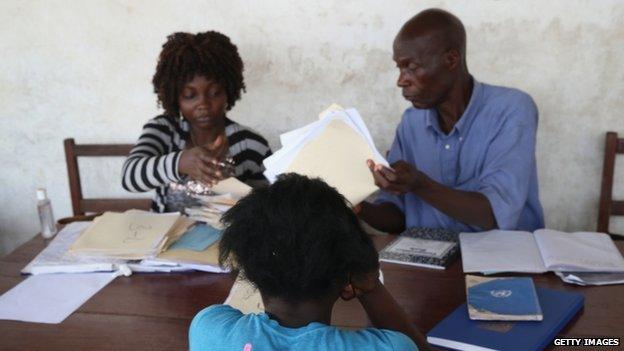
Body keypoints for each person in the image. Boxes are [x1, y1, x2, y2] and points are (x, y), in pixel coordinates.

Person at [189, 174, 430, 351]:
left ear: (248, 267)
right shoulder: (392, 347)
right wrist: (371, 286)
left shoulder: (209, 329)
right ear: (350, 272)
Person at [358, 9, 544, 234]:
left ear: (451, 60)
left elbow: (492, 214)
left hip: (503, 263)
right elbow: (397, 218)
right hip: (427, 261)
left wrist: (420, 184)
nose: (401, 81)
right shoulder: (411, 123)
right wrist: (354, 205)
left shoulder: (511, 110)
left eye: (412, 67)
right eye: (399, 68)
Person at [122, 31, 272, 212]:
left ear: (228, 92)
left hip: (224, 238)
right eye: (189, 95)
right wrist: (180, 162)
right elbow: (129, 176)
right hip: (167, 237)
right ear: (175, 97)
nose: (203, 104)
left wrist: (232, 188)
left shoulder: (251, 145)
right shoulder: (164, 130)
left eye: (214, 93)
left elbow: (266, 206)